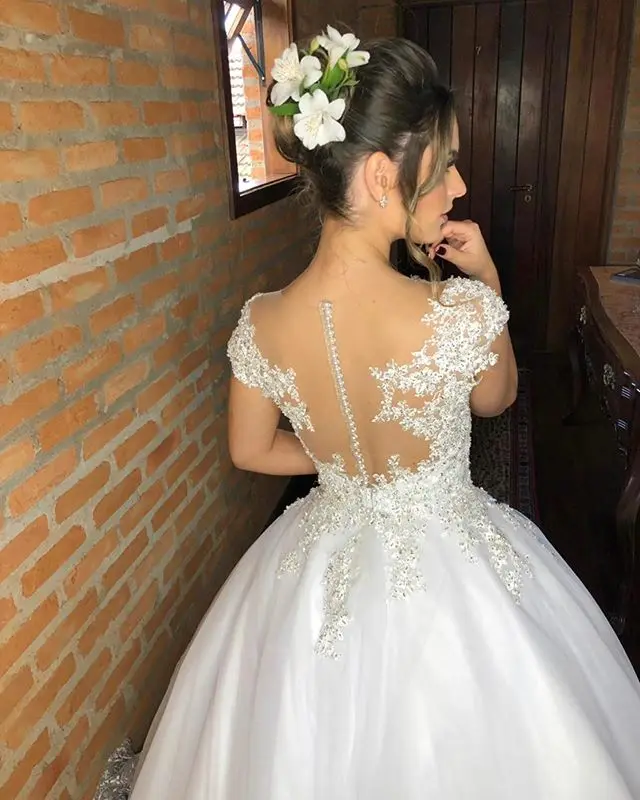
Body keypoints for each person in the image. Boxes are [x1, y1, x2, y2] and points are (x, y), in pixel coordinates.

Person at [130, 30, 640, 799]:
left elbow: (250, 451)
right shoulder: (459, 309)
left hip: (316, 561)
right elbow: (496, 398)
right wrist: (489, 282)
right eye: (446, 164)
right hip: (449, 558)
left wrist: (342, 461)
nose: (458, 186)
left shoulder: (260, 321)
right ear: (379, 175)